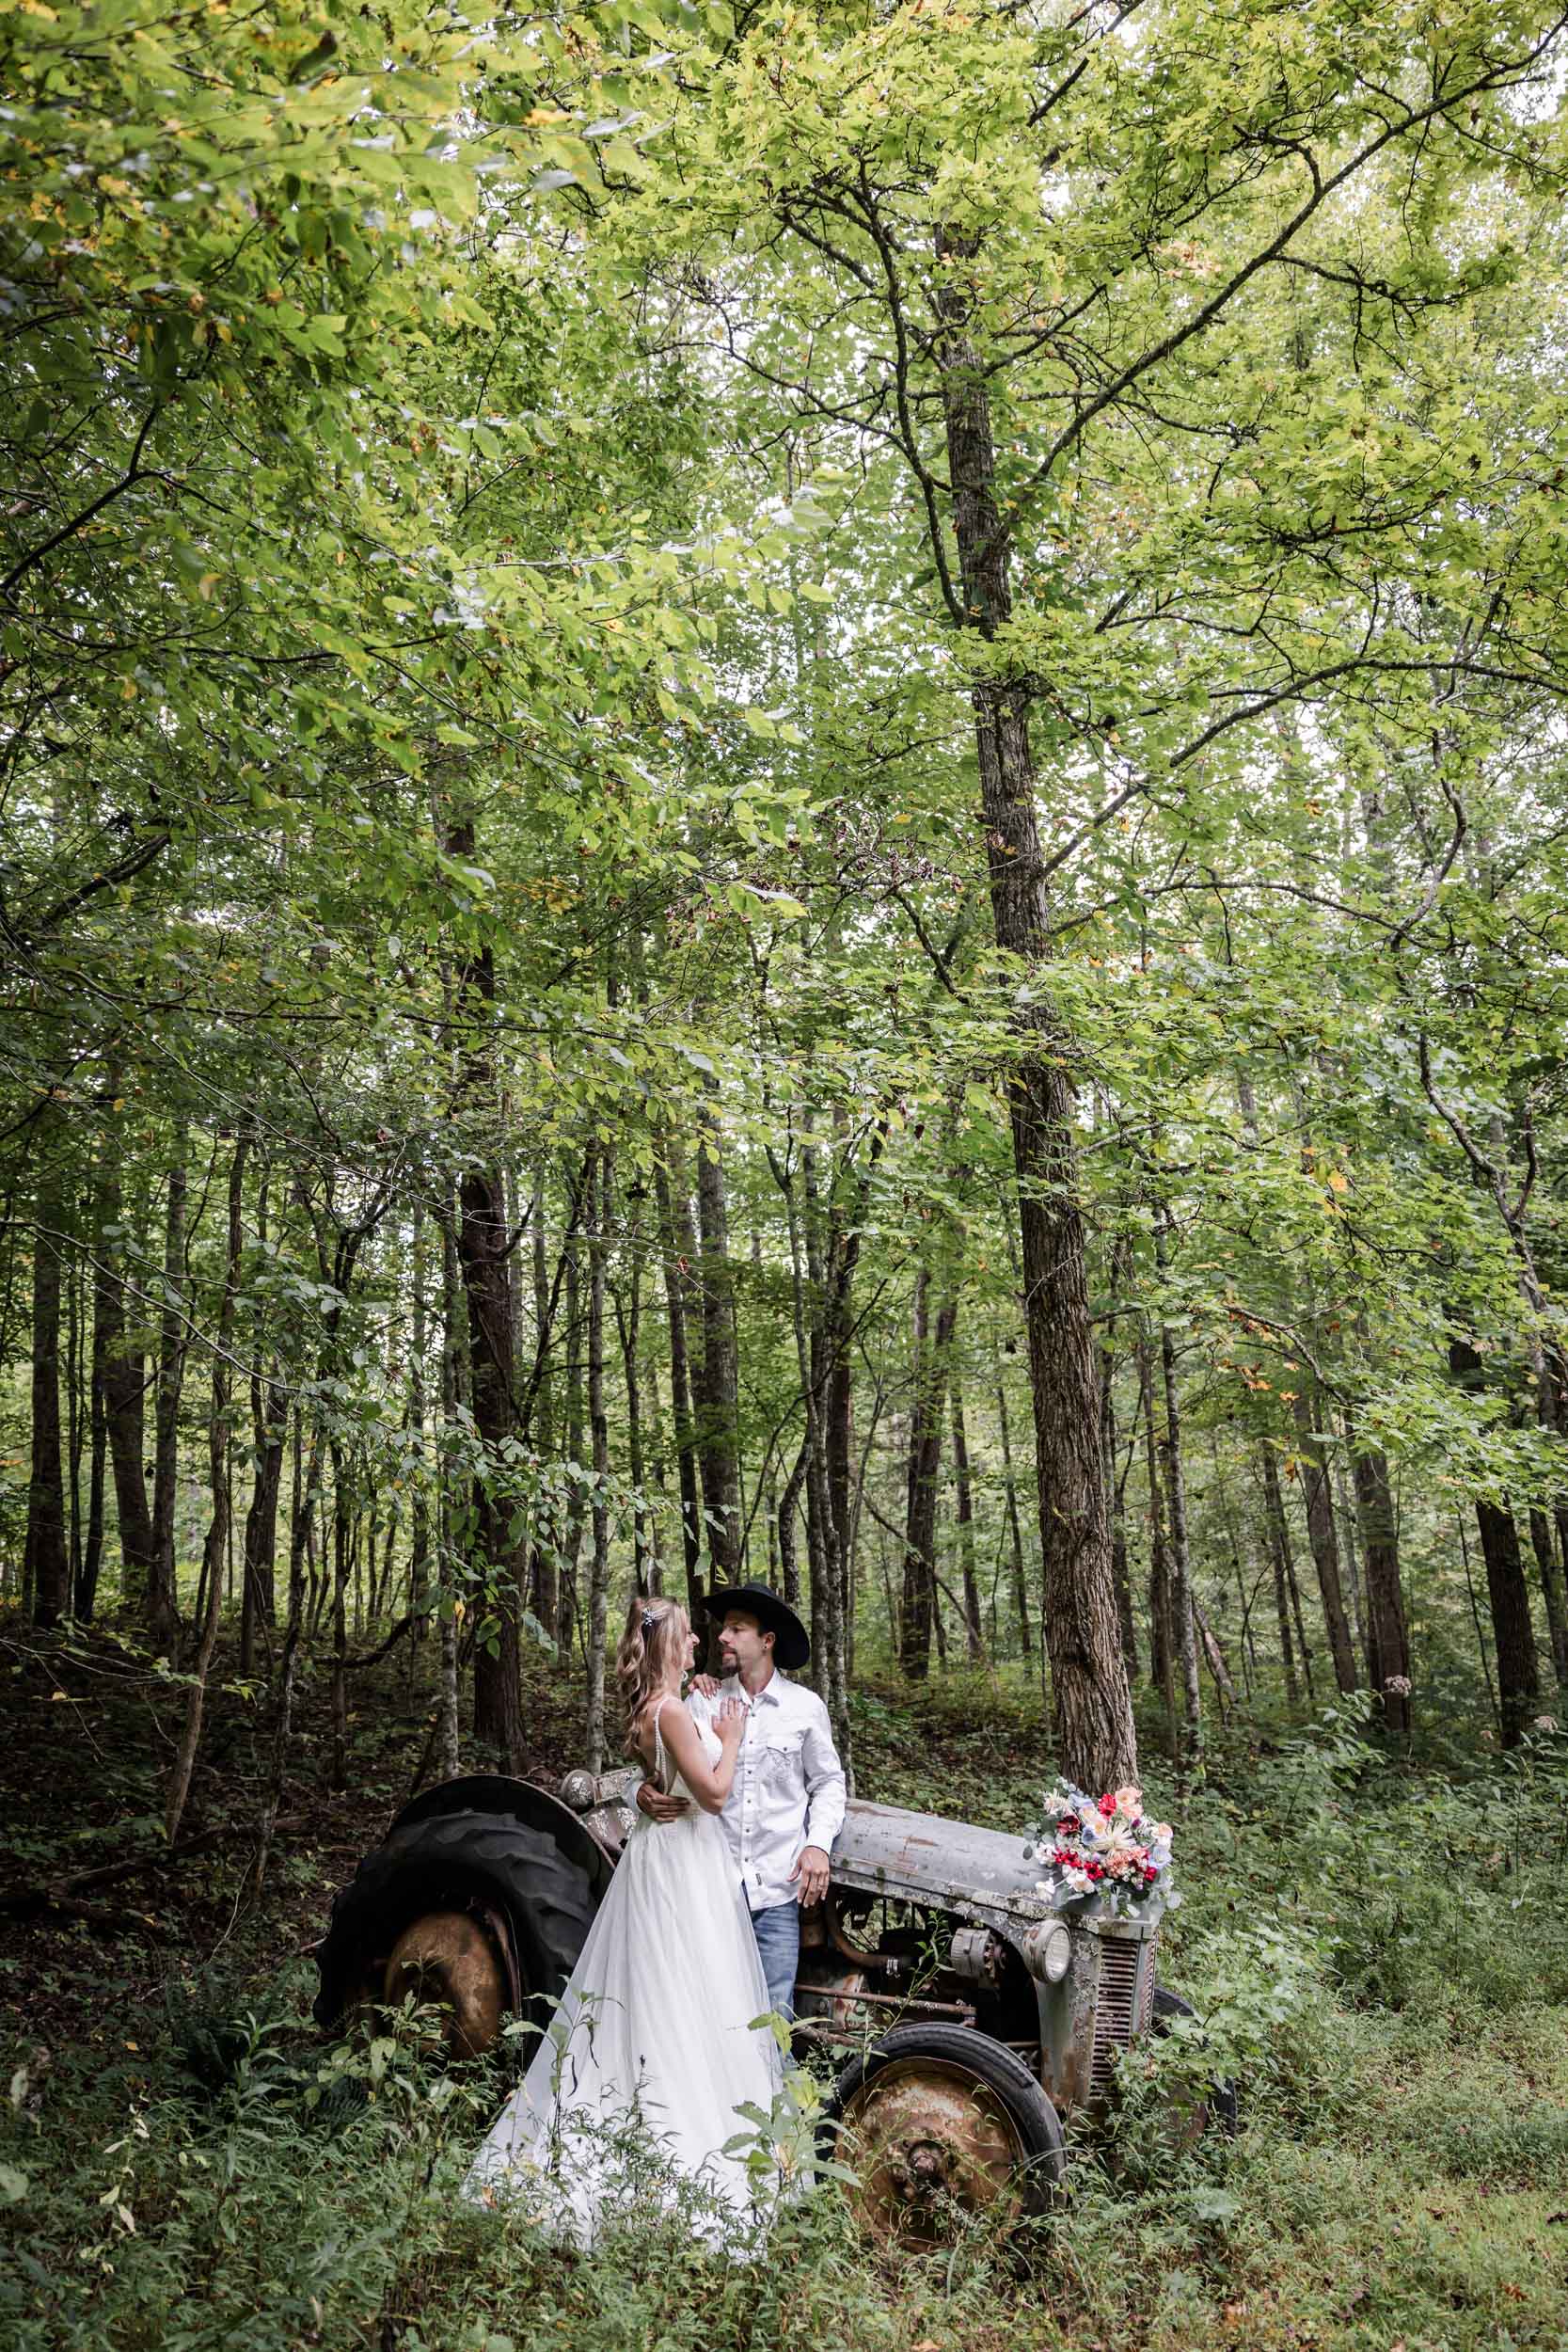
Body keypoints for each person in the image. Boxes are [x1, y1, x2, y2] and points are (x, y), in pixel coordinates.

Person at [465, 1596, 784, 2244]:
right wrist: (730, 1739)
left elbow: (663, 1768)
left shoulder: (656, 1709)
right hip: (684, 1861)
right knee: (679, 1996)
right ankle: (674, 2159)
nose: (699, 1645)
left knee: (671, 1993)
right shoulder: (667, 1711)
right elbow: (715, 1795)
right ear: (669, 1645)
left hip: (668, 1855)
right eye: (690, 1638)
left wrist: (677, 1749)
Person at [636, 1583, 847, 2026]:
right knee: (711, 2019)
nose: (722, 1638)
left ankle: (777, 2095)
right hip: (711, 1889)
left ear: (766, 1641)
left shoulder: (805, 1708)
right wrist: (637, 1793)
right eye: (723, 1628)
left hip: (775, 1891)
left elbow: (828, 1784)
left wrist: (818, 1845)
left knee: (772, 2023)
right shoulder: (701, 1698)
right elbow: (662, 1764)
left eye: (736, 1629)